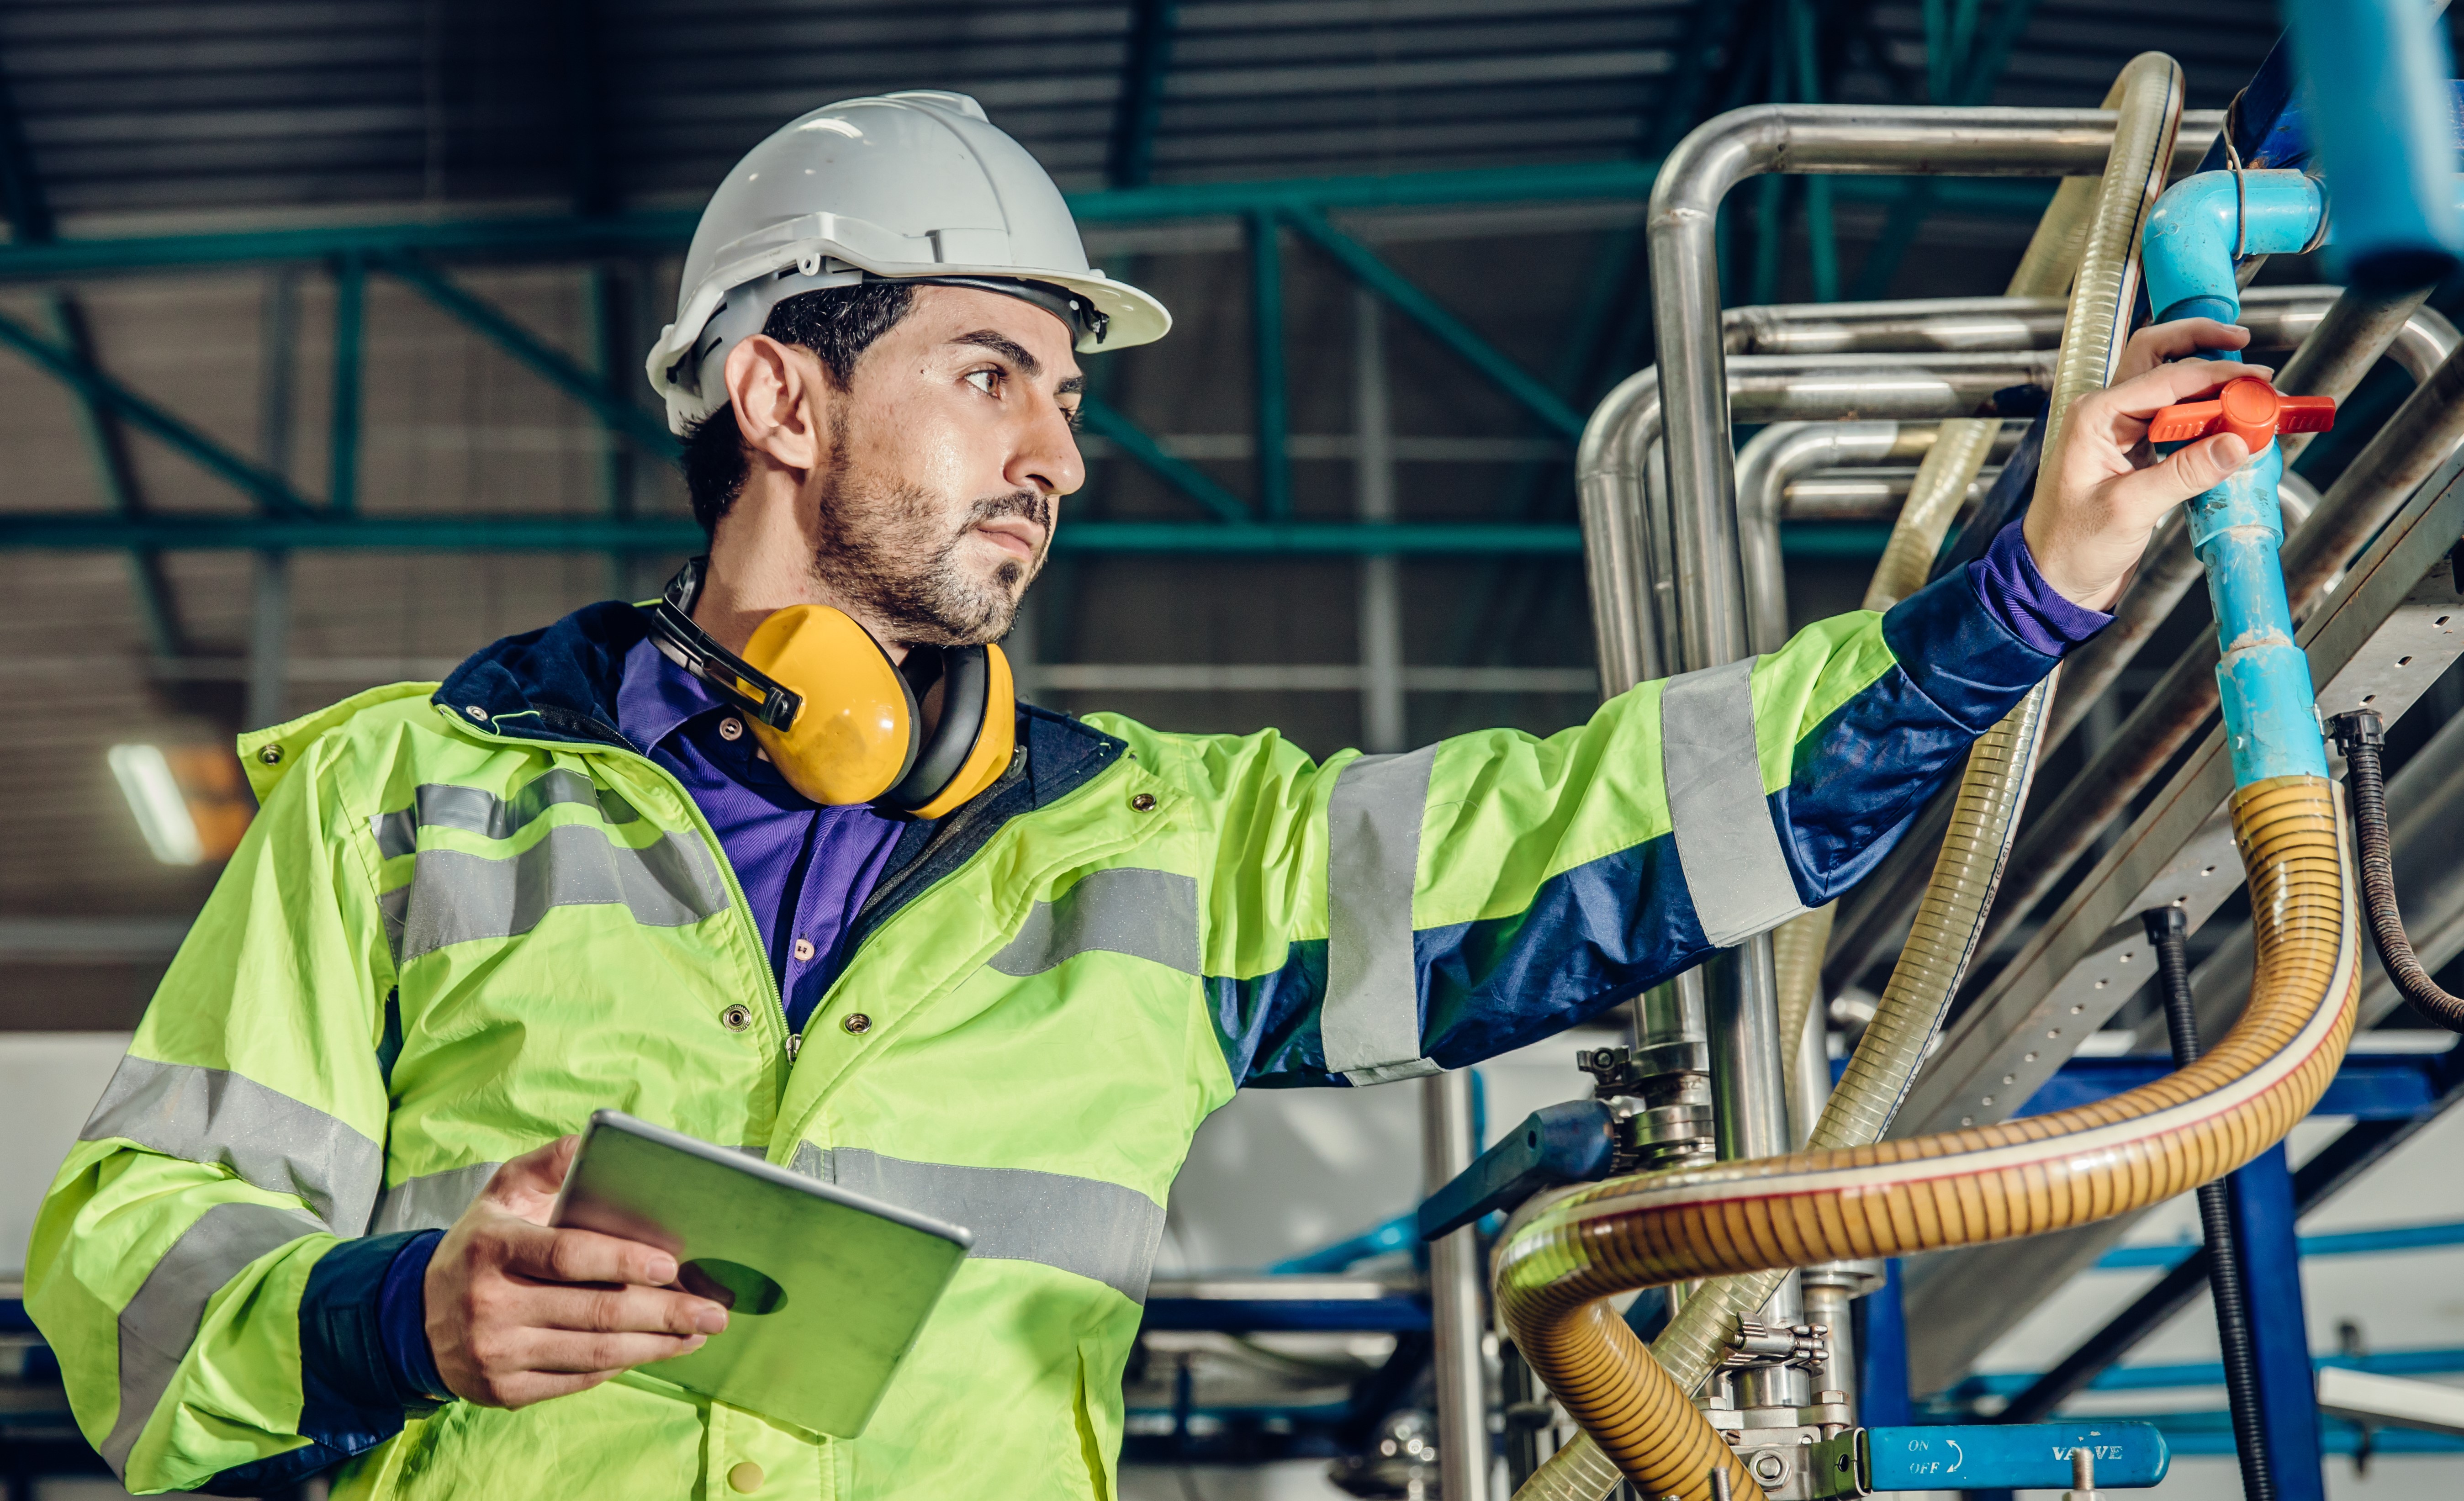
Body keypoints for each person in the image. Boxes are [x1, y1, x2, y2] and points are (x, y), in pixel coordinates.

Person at [29, 91, 2269, 1500]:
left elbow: (1607, 828)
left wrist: (2023, 589)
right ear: (777, 392)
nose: (1060, 455)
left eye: (1068, 397)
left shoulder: (1182, 849)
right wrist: (393, 1316)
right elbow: (132, 1251)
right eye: (989, 370)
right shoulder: (412, 801)